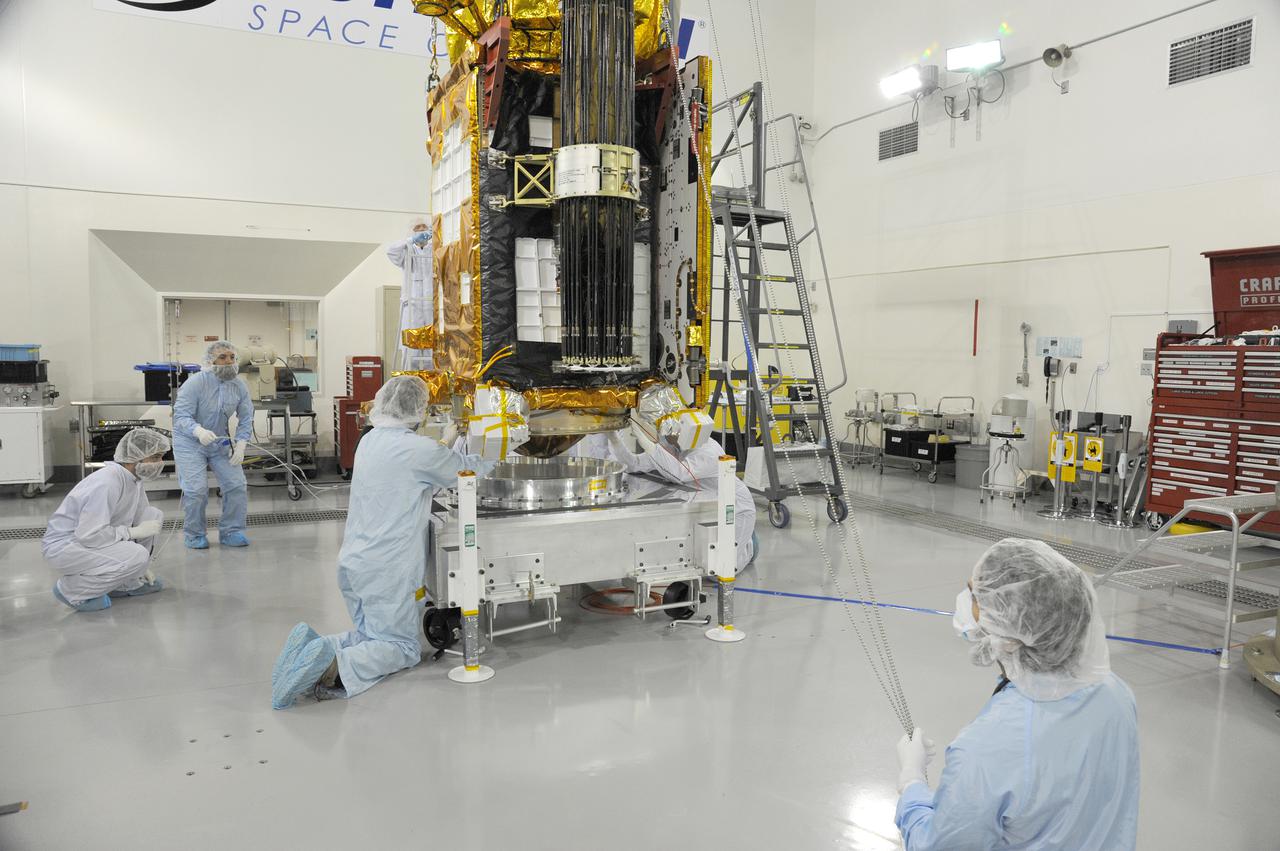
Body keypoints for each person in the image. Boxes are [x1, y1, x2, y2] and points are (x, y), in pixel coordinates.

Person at [894, 538, 1139, 850]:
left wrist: (912, 783)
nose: (966, 602)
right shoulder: (1116, 695)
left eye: (975, 595)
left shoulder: (987, 748)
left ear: (1011, 628)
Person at [272, 375, 495, 709]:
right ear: (418, 409)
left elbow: (416, 465)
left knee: (372, 635)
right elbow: (465, 471)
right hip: (389, 570)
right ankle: (334, 666)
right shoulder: (419, 450)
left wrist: (445, 442)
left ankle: (315, 646)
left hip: (354, 563)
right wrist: (502, 447)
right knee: (402, 648)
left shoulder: (370, 441)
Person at [42, 428, 170, 612]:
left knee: (153, 515)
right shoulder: (107, 482)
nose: (160, 463)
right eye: (155, 457)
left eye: (161, 457)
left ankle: (126, 583)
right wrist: (132, 535)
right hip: (67, 546)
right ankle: (72, 591)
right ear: (134, 458)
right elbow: (89, 534)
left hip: (93, 539)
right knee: (136, 555)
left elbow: (139, 517)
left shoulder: (134, 479)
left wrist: (139, 569)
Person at [592, 430, 758, 572]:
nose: (664, 436)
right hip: (708, 507)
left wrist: (649, 445)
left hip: (736, 508)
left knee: (721, 570)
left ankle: (750, 546)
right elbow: (634, 464)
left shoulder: (708, 450)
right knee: (701, 563)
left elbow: (679, 473)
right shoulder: (675, 446)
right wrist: (614, 438)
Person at [172, 339, 253, 549]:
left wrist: (242, 444)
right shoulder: (195, 383)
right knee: (196, 490)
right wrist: (198, 431)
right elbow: (180, 416)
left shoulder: (239, 385)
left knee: (236, 485)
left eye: (232, 357)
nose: (229, 361)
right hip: (189, 442)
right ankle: (194, 534)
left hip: (219, 441)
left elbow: (246, 417)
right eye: (222, 357)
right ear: (210, 360)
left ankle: (232, 531)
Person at [386, 217, 434, 372]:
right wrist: (410, 240)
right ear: (412, 232)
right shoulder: (407, 249)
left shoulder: (434, 249)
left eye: (424, 228)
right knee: (411, 351)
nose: (421, 231)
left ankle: (431, 383)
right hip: (412, 306)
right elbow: (391, 251)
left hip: (430, 305)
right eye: (417, 229)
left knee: (431, 350)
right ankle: (409, 380)